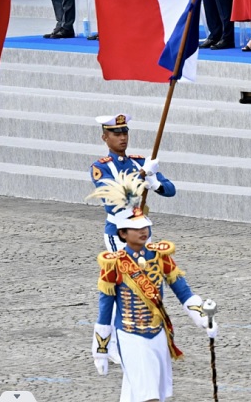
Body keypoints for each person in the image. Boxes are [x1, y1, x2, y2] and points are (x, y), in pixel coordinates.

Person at [90, 173, 216, 401]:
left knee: (144, 392)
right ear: (122, 233)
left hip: (158, 334)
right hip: (130, 335)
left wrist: (202, 318)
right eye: (136, 228)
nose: (143, 231)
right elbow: (105, 307)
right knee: (148, 395)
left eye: (145, 226)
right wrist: (101, 348)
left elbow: (183, 291)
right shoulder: (114, 263)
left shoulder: (160, 256)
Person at [89, 113, 175, 252]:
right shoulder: (101, 167)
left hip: (142, 230)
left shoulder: (138, 162)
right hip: (119, 232)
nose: (123, 138)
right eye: (117, 134)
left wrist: (156, 184)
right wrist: (142, 175)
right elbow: (113, 202)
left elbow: (171, 190)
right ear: (105, 137)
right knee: (125, 266)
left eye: (125, 133)